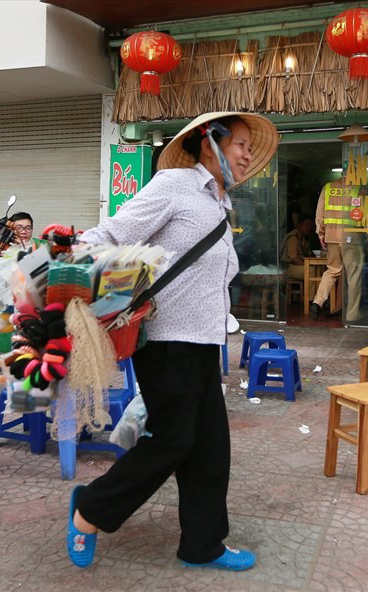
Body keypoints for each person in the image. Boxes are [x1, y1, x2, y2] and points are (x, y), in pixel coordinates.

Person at [66, 111, 279, 571]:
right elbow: (112, 233)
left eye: (247, 147)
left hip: (202, 341)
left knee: (210, 446)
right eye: (240, 144)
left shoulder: (218, 202)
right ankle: (91, 508)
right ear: (210, 143)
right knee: (174, 440)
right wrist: (63, 261)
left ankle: (202, 544)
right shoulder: (174, 185)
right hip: (165, 340)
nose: (246, 155)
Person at [310, 177, 363, 321]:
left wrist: (321, 233)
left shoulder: (328, 187)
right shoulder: (357, 189)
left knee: (332, 271)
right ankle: (352, 315)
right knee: (353, 276)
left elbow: (319, 213)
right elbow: (363, 214)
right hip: (351, 237)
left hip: (332, 236)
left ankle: (317, 302)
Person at [281, 214, 318, 280]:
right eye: (306, 225)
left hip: (297, 265)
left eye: (310, 226)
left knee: (318, 269)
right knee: (311, 271)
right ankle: (312, 291)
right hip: (289, 267)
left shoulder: (303, 238)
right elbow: (294, 258)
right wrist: (307, 265)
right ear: (299, 225)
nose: (309, 228)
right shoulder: (293, 237)